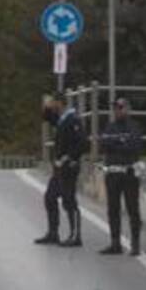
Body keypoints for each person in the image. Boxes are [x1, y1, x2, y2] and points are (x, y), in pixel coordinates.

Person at [37, 95, 88, 247]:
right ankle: (53, 233)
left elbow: (82, 143)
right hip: (59, 167)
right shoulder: (61, 120)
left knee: (69, 200)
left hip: (69, 166)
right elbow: (46, 117)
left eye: (53, 103)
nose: (52, 106)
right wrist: (46, 106)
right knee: (50, 197)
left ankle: (75, 235)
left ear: (60, 103)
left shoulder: (73, 119)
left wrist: (69, 157)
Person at [97, 98, 144, 256]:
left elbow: (134, 146)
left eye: (121, 107)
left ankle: (135, 244)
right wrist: (121, 141)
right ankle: (115, 243)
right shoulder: (110, 126)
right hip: (112, 172)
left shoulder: (134, 126)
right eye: (116, 108)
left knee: (132, 209)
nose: (118, 110)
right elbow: (103, 145)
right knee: (113, 209)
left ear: (128, 108)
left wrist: (115, 142)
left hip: (129, 172)